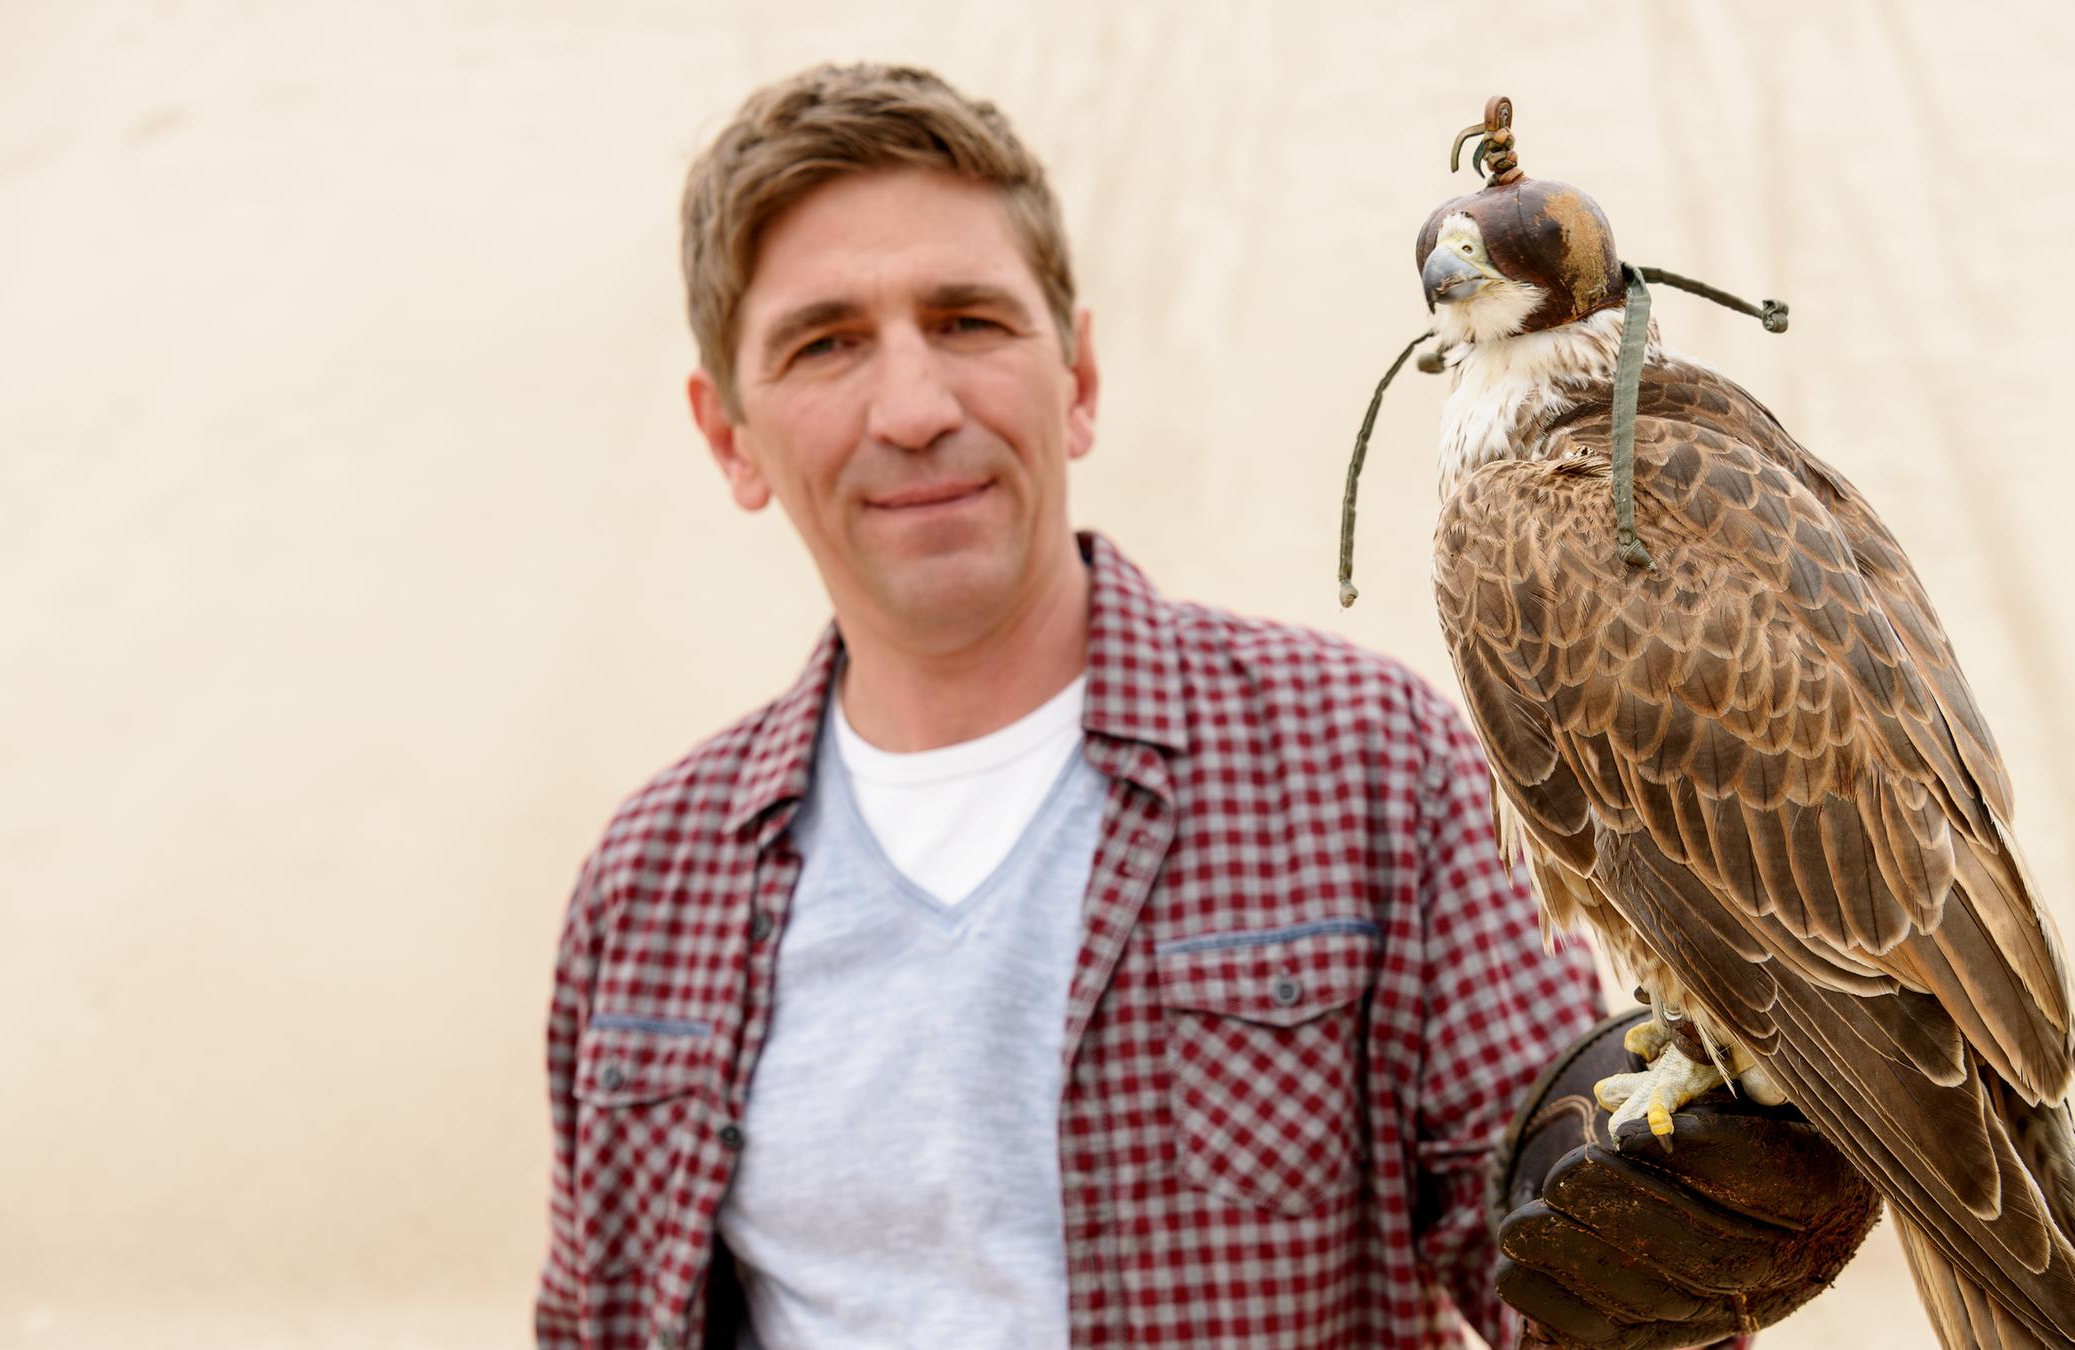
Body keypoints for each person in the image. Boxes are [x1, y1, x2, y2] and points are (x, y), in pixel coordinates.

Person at [536, 63, 1874, 1350]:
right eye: (826, 344)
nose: (915, 404)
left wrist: (1670, 1216)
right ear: (730, 437)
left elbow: (1551, 1246)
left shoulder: (1367, 763)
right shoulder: (644, 884)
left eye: (969, 319)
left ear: (1081, 379)